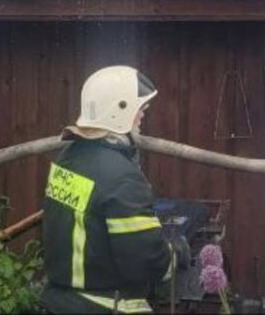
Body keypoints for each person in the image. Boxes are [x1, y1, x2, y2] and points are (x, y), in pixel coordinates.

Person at [41, 66, 173, 314]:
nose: (143, 114)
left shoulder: (68, 158)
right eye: (139, 108)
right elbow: (145, 262)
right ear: (119, 110)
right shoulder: (121, 176)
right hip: (105, 305)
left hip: (60, 302)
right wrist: (173, 255)